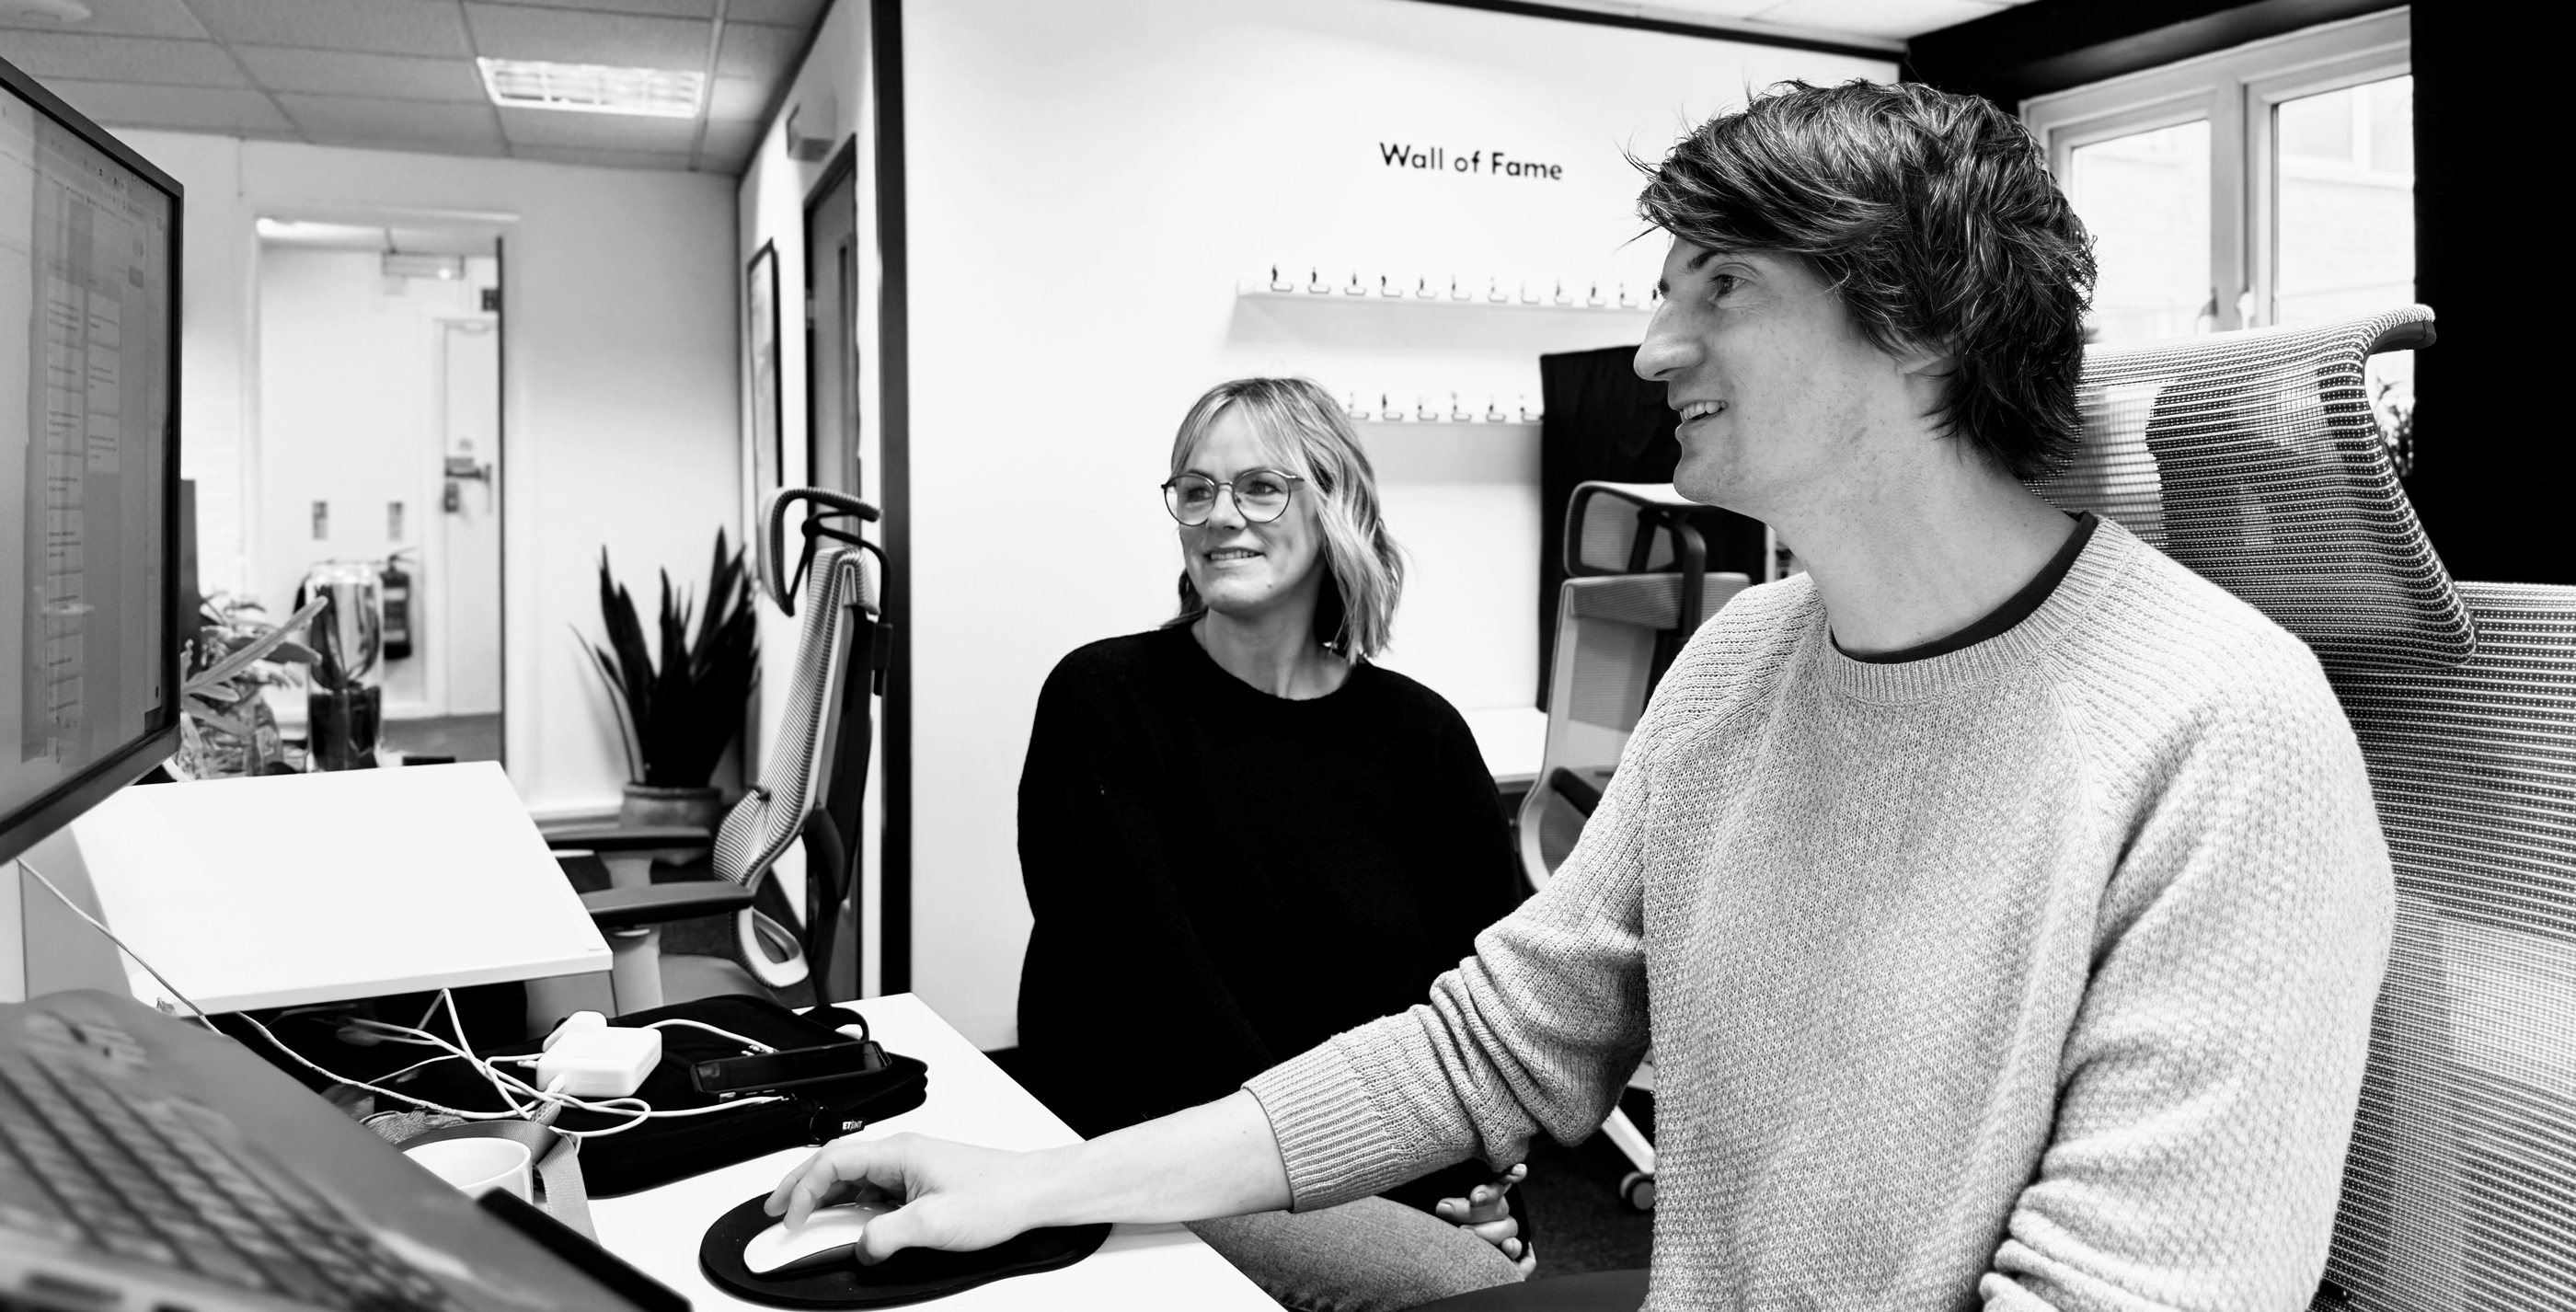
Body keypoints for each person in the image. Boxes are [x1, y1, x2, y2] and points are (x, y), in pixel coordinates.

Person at [765, 80, 2394, 1310]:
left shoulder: (2224, 731)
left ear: (1920, 325)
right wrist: (1045, 1180)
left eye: (1721, 288)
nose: (1653, 346)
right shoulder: (1745, 664)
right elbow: (1480, 1050)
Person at [1010, 376, 1534, 1309]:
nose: (1221, 517)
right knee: (1463, 1287)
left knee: (1487, 1271)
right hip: (1172, 1145)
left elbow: (1489, 1006)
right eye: (1196, 490)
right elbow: (1155, 1007)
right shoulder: (1105, 700)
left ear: (1335, 505)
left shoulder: (1423, 736)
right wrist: (1391, 1194)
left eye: (1259, 487)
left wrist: (1481, 1187)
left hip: (1377, 1167)